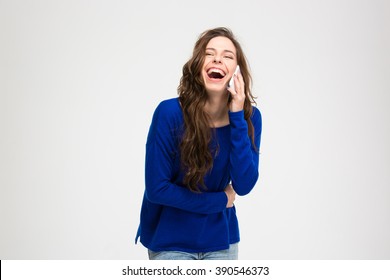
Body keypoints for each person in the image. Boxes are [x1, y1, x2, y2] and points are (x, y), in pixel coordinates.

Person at [135, 27, 262, 260]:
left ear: (237, 72)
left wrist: (236, 116)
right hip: (170, 240)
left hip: (221, 241)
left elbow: (243, 185)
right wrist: (220, 200)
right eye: (209, 53)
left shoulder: (249, 118)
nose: (217, 59)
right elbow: (157, 190)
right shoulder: (169, 113)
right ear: (197, 65)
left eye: (227, 56)